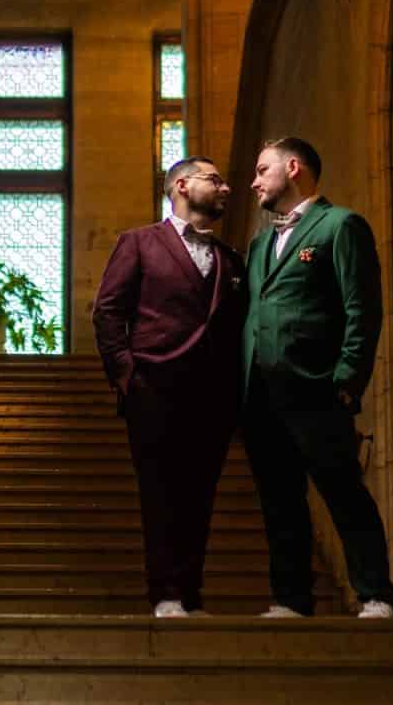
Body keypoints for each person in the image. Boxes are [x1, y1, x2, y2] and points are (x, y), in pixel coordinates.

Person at [240, 136, 393, 618]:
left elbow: (362, 308)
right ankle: (291, 599)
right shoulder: (259, 243)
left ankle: (375, 594)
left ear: (293, 168)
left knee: (342, 490)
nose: (254, 181)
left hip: (316, 387)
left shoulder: (340, 226)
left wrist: (348, 377)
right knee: (280, 501)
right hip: (261, 394)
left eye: (261, 170)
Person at [91, 156, 248, 618]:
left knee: (200, 497)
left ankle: (190, 594)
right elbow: (108, 313)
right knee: (159, 494)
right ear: (181, 184)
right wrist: (127, 377)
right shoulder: (138, 243)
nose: (225, 189)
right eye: (214, 180)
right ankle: (165, 594)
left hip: (213, 398)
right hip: (153, 388)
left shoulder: (230, 258)